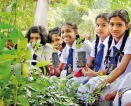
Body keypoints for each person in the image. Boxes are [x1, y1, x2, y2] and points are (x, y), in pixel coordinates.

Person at [77, 9, 131, 102]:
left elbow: (121, 69)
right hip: (114, 77)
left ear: (127, 26)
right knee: (89, 85)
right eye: (112, 24)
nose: (114, 28)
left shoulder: (129, 42)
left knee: (96, 86)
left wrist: (101, 85)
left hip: (126, 81)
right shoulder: (112, 42)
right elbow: (111, 67)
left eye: (119, 25)